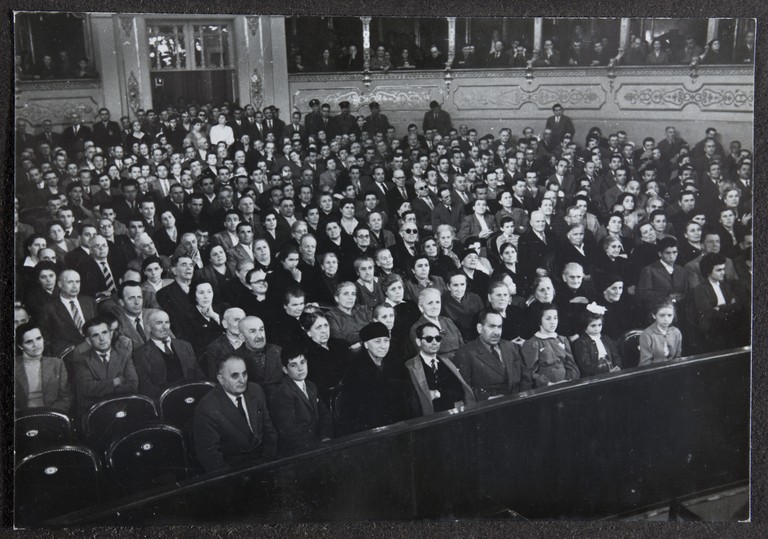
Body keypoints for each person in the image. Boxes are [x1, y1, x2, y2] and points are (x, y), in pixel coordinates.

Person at [193, 355, 277, 473]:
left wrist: (269, 463)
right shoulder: (207, 408)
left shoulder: (256, 390)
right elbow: (210, 456)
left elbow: (270, 431)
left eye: (244, 373)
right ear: (221, 379)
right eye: (235, 375)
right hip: (233, 472)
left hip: (264, 463)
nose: (243, 380)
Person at [337, 322, 418, 435]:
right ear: (366, 345)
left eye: (386, 340)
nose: (383, 346)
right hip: (371, 430)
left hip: (400, 426)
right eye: (377, 341)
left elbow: (411, 400)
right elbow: (353, 411)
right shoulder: (355, 370)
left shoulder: (397, 365)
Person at [268, 344, 333, 456]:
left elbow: (324, 415)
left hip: (318, 444)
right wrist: (317, 447)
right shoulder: (282, 393)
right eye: (294, 365)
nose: (301, 368)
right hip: (299, 452)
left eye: (302, 362)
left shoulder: (310, 386)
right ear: (285, 369)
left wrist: (325, 438)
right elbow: (290, 433)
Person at [454, 309, 530, 401]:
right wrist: (486, 398)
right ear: (480, 328)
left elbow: (526, 376)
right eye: (492, 326)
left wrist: (523, 397)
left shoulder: (511, 347)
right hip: (489, 407)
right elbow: (464, 389)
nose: (497, 332)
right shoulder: (465, 353)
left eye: (499, 327)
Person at [71, 316, 139, 417]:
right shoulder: (81, 359)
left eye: (104, 333)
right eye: (95, 335)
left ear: (111, 334)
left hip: (123, 407)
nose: (102, 339)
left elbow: (133, 385)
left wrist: (101, 387)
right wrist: (115, 382)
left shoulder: (124, 354)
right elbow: (87, 389)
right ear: (89, 340)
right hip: (97, 411)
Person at [132, 310, 205, 401]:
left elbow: (198, 374)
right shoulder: (140, 354)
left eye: (167, 322)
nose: (164, 327)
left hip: (193, 397)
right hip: (167, 402)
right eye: (159, 323)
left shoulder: (185, 346)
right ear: (149, 327)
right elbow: (146, 387)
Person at [406, 322, 476, 416]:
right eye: (429, 339)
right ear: (418, 341)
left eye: (438, 338)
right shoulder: (409, 367)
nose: (434, 342)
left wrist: (437, 394)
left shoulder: (447, 362)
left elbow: (460, 391)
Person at [686, 253, 745, 353]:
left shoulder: (725, 285)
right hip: (712, 329)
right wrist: (730, 308)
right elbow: (709, 312)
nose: (723, 273)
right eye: (719, 270)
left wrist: (721, 308)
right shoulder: (700, 289)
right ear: (708, 272)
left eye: (723, 269)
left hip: (729, 326)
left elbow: (738, 305)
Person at [15, 322, 71, 413]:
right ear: (20, 346)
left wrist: (46, 415)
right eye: (29, 342)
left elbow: (65, 399)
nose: (36, 345)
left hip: (51, 415)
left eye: (38, 338)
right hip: (23, 419)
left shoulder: (57, 364)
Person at [521, 303, 580, 388]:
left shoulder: (562, 339)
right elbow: (530, 372)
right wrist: (547, 383)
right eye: (548, 319)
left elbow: (571, 364)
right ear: (539, 321)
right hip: (546, 387)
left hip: (566, 384)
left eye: (555, 318)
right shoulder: (533, 343)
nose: (553, 322)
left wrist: (569, 380)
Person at [40, 269, 97, 356]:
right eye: (70, 282)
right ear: (60, 284)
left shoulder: (89, 301)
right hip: (70, 355)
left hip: (95, 348)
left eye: (77, 282)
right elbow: (47, 340)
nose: (75, 286)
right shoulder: (49, 308)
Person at [234, 316, 283, 397]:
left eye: (261, 330)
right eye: (253, 331)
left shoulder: (279, 352)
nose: (260, 336)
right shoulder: (234, 358)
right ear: (242, 337)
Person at [176, 280, 224, 358]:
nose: (206, 296)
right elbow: (194, 346)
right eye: (201, 293)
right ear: (194, 296)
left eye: (209, 292)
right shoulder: (187, 316)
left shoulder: (220, 310)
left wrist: (214, 316)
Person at [571, 307, 622, 377]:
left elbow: (616, 356)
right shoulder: (581, 342)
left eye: (599, 325)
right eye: (593, 326)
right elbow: (586, 365)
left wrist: (617, 367)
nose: (597, 329)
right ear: (585, 326)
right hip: (594, 376)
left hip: (612, 372)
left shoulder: (606, 338)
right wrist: (605, 370)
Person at [200, 307, 246, 379]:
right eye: (236, 320)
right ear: (225, 324)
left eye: (243, 320)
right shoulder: (214, 348)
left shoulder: (251, 341)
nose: (240, 324)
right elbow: (215, 378)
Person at [326, 281, 370, 346]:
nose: (350, 297)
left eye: (353, 294)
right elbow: (338, 337)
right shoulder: (330, 316)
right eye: (346, 294)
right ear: (336, 298)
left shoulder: (363, 309)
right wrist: (367, 335)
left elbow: (376, 328)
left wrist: (361, 343)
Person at [638, 301, 683, 366]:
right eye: (662, 315)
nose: (666, 319)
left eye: (670, 315)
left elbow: (678, 358)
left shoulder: (676, 332)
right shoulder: (647, 334)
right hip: (652, 372)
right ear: (654, 316)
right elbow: (645, 363)